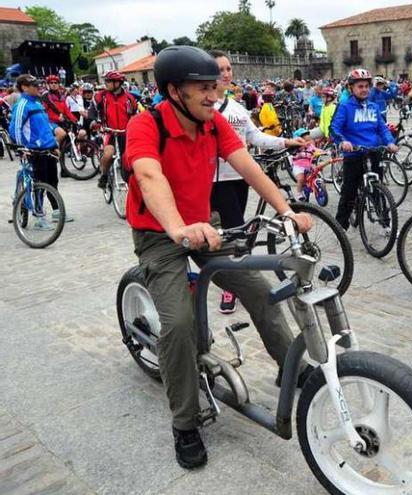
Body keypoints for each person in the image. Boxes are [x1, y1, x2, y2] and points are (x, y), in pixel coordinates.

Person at [123, 45, 311, 470]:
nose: (214, 95)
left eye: (216, 86)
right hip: (160, 234)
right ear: (174, 91)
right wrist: (176, 229)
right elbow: (149, 175)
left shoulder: (215, 124)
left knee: (260, 291)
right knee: (179, 325)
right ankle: (185, 422)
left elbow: (250, 167)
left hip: (206, 228)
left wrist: (286, 211)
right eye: (203, 88)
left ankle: (292, 368)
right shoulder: (145, 124)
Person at [210, 50, 304, 313]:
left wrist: (285, 141)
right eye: (220, 69)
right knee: (234, 232)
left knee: (233, 231)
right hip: (216, 180)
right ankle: (231, 287)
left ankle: (231, 276)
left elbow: (255, 138)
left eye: (229, 68)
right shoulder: (205, 108)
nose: (227, 73)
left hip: (240, 177)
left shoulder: (238, 108)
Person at [329, 68, 399, 230]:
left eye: (367, 86)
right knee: (349, 192)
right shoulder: (345, 107)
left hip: (373, 151)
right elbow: (334, 128)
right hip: (353, 153)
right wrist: (342, 141)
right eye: (360, 86)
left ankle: (386, 223)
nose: (364, 89)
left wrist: (390, 142)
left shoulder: (373, 107)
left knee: (378, 189)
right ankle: (340, 227)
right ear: (351, 88)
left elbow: (382, 128)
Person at [8, 74, 63, 229]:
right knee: (38, 184)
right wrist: (22, 148)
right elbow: (15, 130)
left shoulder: (37, 103)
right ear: (24, 87)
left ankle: (57, 211)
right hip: (33, 151)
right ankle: (39, 218)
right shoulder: (23, 104)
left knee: (52, 181)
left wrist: (54, 145)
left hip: (47, 149)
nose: (38, 87)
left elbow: (44, 127)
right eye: (34, 85)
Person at [95, 70, 138, 189]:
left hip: (125, 132)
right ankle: (104, 175)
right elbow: (93, 110)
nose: (106, 83)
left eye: (108, 81)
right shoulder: (101, 96)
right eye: (106, 81)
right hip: (109, 132)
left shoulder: (130, 98)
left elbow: (135, 115)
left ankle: (131, 183)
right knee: (108, 154)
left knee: (128, 159)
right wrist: (94, 120)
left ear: (117, 83)